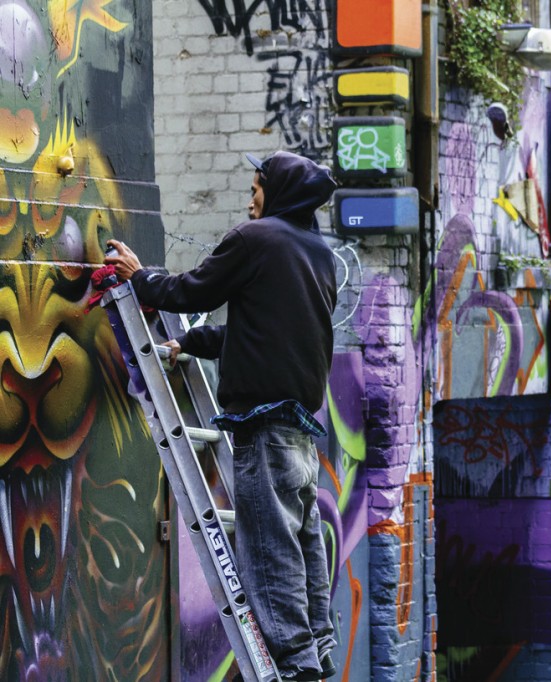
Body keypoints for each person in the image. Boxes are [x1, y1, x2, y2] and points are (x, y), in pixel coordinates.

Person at [105, 151, 338, 682]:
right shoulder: (316, 255)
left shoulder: (254, 240)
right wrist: (188, 342)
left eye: (256, 186)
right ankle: (318, 651)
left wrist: (141, 278)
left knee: (267, 553)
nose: (250, 197)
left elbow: (195, 290)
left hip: (263, 428)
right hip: (301, 432)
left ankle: (296, 666)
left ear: (276, 191)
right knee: (305, 546)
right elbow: (259, 336)